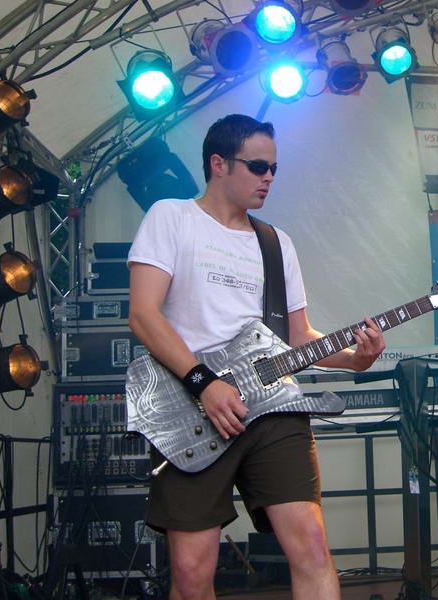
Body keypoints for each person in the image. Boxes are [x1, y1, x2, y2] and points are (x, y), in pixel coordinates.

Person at [127, 114, 386, 600]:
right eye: (258, 166)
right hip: (192, 408)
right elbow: (142, 315)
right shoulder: (171, 217)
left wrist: (355, 359)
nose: (269, 177)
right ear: (218, 163)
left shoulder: (275, 242)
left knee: (311, 545)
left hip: (275, 408)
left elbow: (298, 336)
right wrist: (204, 382)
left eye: (274, 169)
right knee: (191, 573)